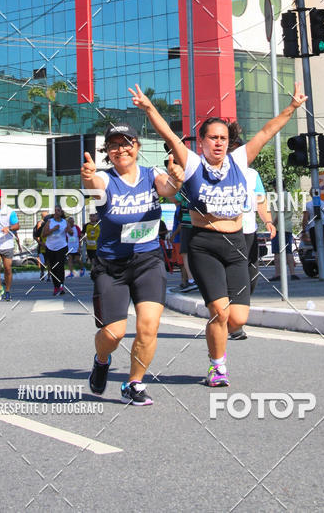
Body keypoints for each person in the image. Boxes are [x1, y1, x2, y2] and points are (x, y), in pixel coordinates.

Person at [129, 82, 306, 388]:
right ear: (202, 142)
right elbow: (168, 135)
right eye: (213, 138)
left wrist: (292, 107)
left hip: (237, 244)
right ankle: (217, 366)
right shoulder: (194, 163)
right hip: (204, 244)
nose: (219, 143)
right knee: (219, 312)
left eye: (223, 138)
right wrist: (148, 108)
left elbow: (266, 132)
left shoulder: (239, 161)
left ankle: (220, 344)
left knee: (237, 319)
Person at [81, 122, 183, 406]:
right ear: (107, 152)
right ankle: (102, 360)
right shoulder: (105, 179)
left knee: (148, 326)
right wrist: (87, 178)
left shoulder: (152, 175)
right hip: (111, 265)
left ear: (137, 147)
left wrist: (177, 178)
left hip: (148, 260)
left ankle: (134, 383)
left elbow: (168, 189)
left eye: (127, 143)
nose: (120, 149)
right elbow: (94, 186)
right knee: (113, 334)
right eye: (114, 145)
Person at [227, 129, 274, 339]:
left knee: (252, 277)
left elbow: (261, 201)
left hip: (250, 232)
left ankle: (235, 315)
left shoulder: (252, 175)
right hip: (228, 232)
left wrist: (268, 222)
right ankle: (235, 325)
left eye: (239, 152)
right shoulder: (220, 172)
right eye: (232, 152)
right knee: (235, 278)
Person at [302, 188, 324, 276]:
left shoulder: (308, 205)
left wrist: (304, 230)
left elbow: (305, 219)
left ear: (311, 194)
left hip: (314, 227)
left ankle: (321, 271)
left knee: (317, 249)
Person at [42, 206, 68, 295]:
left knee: (60, 267)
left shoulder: (65, 222)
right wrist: (52, 229)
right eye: (55, 211)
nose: (57, 212)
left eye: (59, 211)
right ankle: (56, 286)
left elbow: (70, 232)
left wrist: (70, 231)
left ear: (61, 212)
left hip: (62, 247)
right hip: (50, 247)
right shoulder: (50, 222)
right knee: (53, 268)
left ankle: (61, 286)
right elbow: (44, 235)